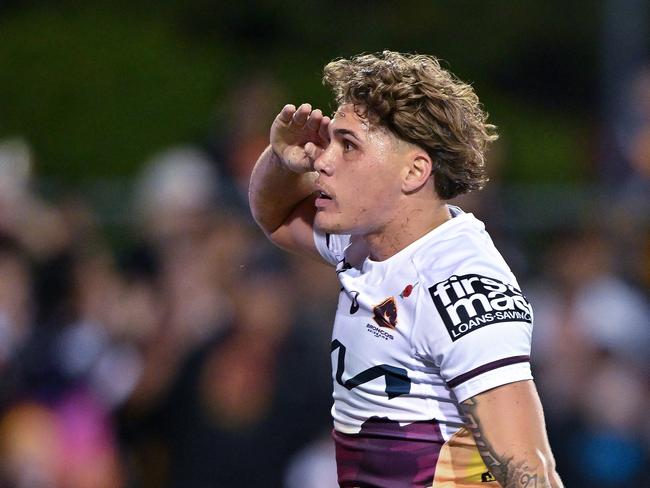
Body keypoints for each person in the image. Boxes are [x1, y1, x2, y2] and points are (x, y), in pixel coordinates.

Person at [249, 51, 562, 487]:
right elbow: (275, 217)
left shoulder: (462, 287)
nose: (322, 160)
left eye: (349, 145)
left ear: (414, 171)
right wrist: (281, 160)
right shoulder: (365, 239)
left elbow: (529, 468)